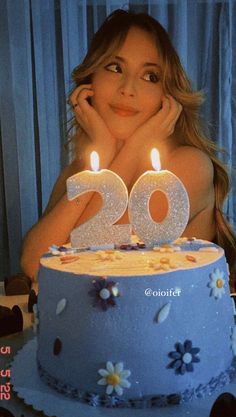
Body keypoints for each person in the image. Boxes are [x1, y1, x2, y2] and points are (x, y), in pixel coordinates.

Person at [20, 9, 236, 289]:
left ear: (166, 96)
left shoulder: (186, 167)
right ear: (90, 80)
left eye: (150, 76)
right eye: (115, 67)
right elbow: (34, 265)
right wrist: (104, 149)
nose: (128, 89)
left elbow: (83, 260)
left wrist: (135, 146)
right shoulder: (81, 169)